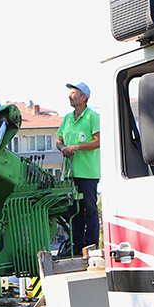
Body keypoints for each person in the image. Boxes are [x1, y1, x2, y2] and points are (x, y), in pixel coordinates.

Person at [57, 82, 101, 256]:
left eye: (73, 93)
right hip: (70, 173)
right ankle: (76, 245)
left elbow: (98, 141)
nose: (70, 96)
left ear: (84, 97)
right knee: (73, 211)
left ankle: (91, 246)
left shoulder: (92, 117)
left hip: (88, 172)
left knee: (89, 209)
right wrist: (63, 149)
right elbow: (59, 140)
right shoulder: (67, 118)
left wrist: (76, 147)